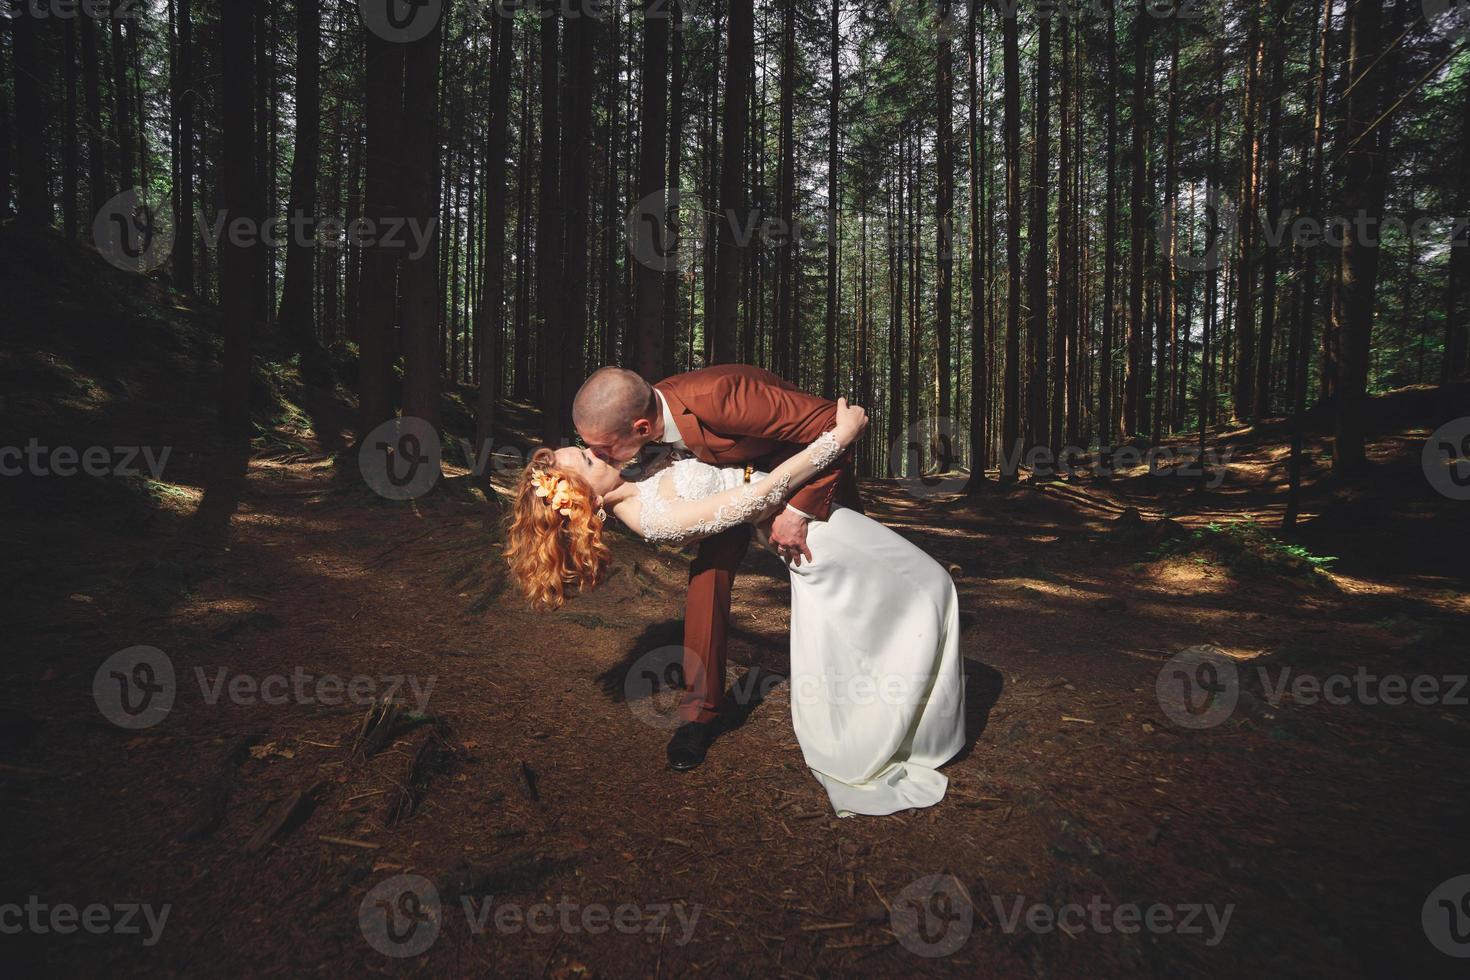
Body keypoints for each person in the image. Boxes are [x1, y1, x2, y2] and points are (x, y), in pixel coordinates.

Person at [505, 385, 966, 817]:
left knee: (887, 609)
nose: (597, 451)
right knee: (930, 588)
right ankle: (902, 732)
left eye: (589, 447)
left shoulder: (634, 465)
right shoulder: (652, 518)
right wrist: (840, 437)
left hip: (805, 515)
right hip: (801, 529)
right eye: (588, 459)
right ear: (588, 499)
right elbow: (759, 495)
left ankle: (902, 713)